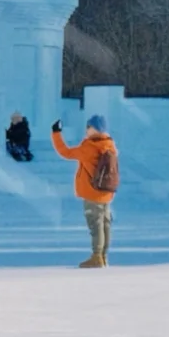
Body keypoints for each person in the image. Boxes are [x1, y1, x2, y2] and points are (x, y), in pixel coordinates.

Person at [51, 113, 119, 268]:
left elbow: (65, 152)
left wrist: (56, 133)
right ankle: (103, 256)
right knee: (105, 225)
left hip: (92, 192)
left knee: (96, 226)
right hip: (106, 192)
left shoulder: (89, 147)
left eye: (88, 127)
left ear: (95, 129)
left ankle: (96, 257)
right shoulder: (110, 145)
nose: (86, 130)